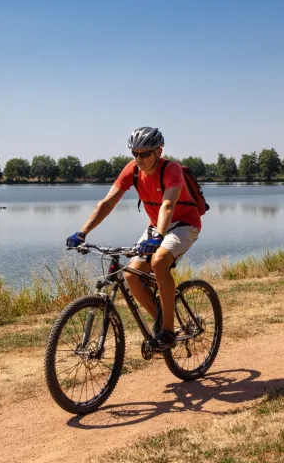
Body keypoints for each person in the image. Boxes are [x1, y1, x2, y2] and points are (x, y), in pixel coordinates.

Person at [66, 127, 202, 351]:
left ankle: (167, 333)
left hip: (184, 224)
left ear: (159, 151)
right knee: (130, 275)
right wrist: (82, 231)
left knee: (159, 262)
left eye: (145, 154)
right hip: (156, 227)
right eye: (135, 154)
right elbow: (107, 203)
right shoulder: (133, 170)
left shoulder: (172, 170)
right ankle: (162, 318)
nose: (139, 159)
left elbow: (168, 205)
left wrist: (159, 236)